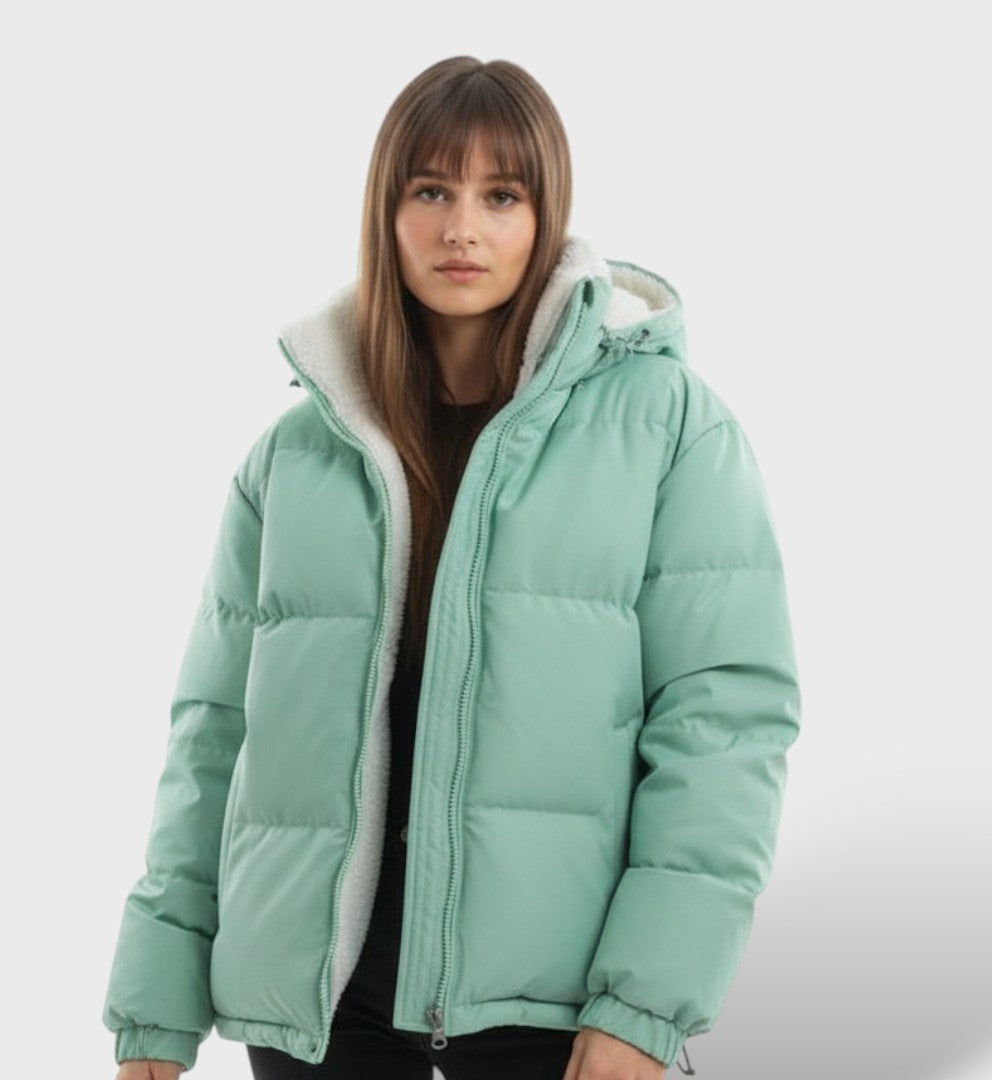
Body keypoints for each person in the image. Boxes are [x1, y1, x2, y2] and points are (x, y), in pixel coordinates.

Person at [102, 55, 801, 1080]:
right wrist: (157, 1000)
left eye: (500, 195)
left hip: (551, 1010)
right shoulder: (295, 455)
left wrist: (645, 1004)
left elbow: (723, 725)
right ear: (386, 214)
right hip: (316, 1011)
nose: (462, 228)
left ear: (546, 216)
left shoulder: (668, 429)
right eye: (430, 191)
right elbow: (214, 734)